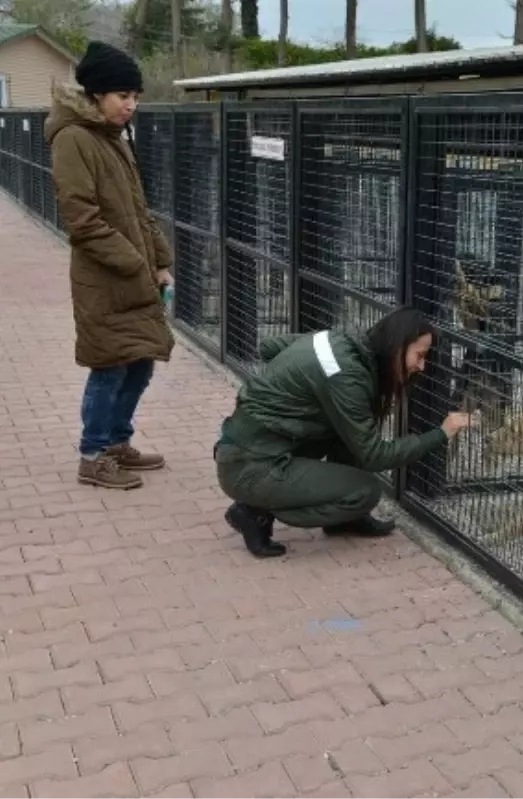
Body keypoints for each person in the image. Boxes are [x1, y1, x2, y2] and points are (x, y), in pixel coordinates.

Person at [214, 308, 475, 558]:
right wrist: (441, 433)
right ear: (397, 346)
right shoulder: (346, 375)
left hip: (246, 449)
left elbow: (268, 347)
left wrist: (292, 390)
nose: (422, 366)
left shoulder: (336, 341)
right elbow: (375, 455)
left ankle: (344, 522)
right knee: (365, 491)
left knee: (343, 431)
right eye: (420, 355)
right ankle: (254, 511)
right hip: (250, 467)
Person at [45, 41, 175, 491]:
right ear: (97, 94)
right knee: (110, 365)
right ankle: (93, 453)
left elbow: (139, 210)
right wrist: (135, 262)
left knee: (140, 362)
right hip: (104, 280)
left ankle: (117, 442)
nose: (131, 105)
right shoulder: (74, 139)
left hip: (134, 276)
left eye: (136, 97)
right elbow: (82, 220)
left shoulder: (112, 138)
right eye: (124, 96)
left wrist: (160, 262)